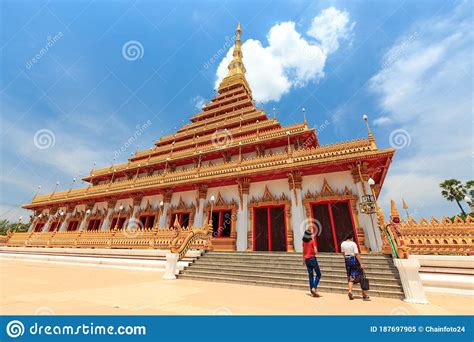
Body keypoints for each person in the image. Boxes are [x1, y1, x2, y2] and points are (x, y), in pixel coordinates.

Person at [341, 234, 370, 301]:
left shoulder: (343, 243)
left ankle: (350, 291)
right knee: (361, 276)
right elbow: (356, 254)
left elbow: (342, 253)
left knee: (351, 276)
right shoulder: (353, 244)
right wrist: (361, 263)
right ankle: (364, 295)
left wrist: (346, 257)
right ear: (351, 238)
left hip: (347, 260)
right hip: (354, 260)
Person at [302, 229, 321, 297]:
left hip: (307, 260)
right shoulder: (312, 241)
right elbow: (316, 251)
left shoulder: (303, 242)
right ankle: (314, 288)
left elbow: (303, 252)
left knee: (310, 275)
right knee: (318, 274)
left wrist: (303, 260)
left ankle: (312, 291)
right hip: (312, 259)